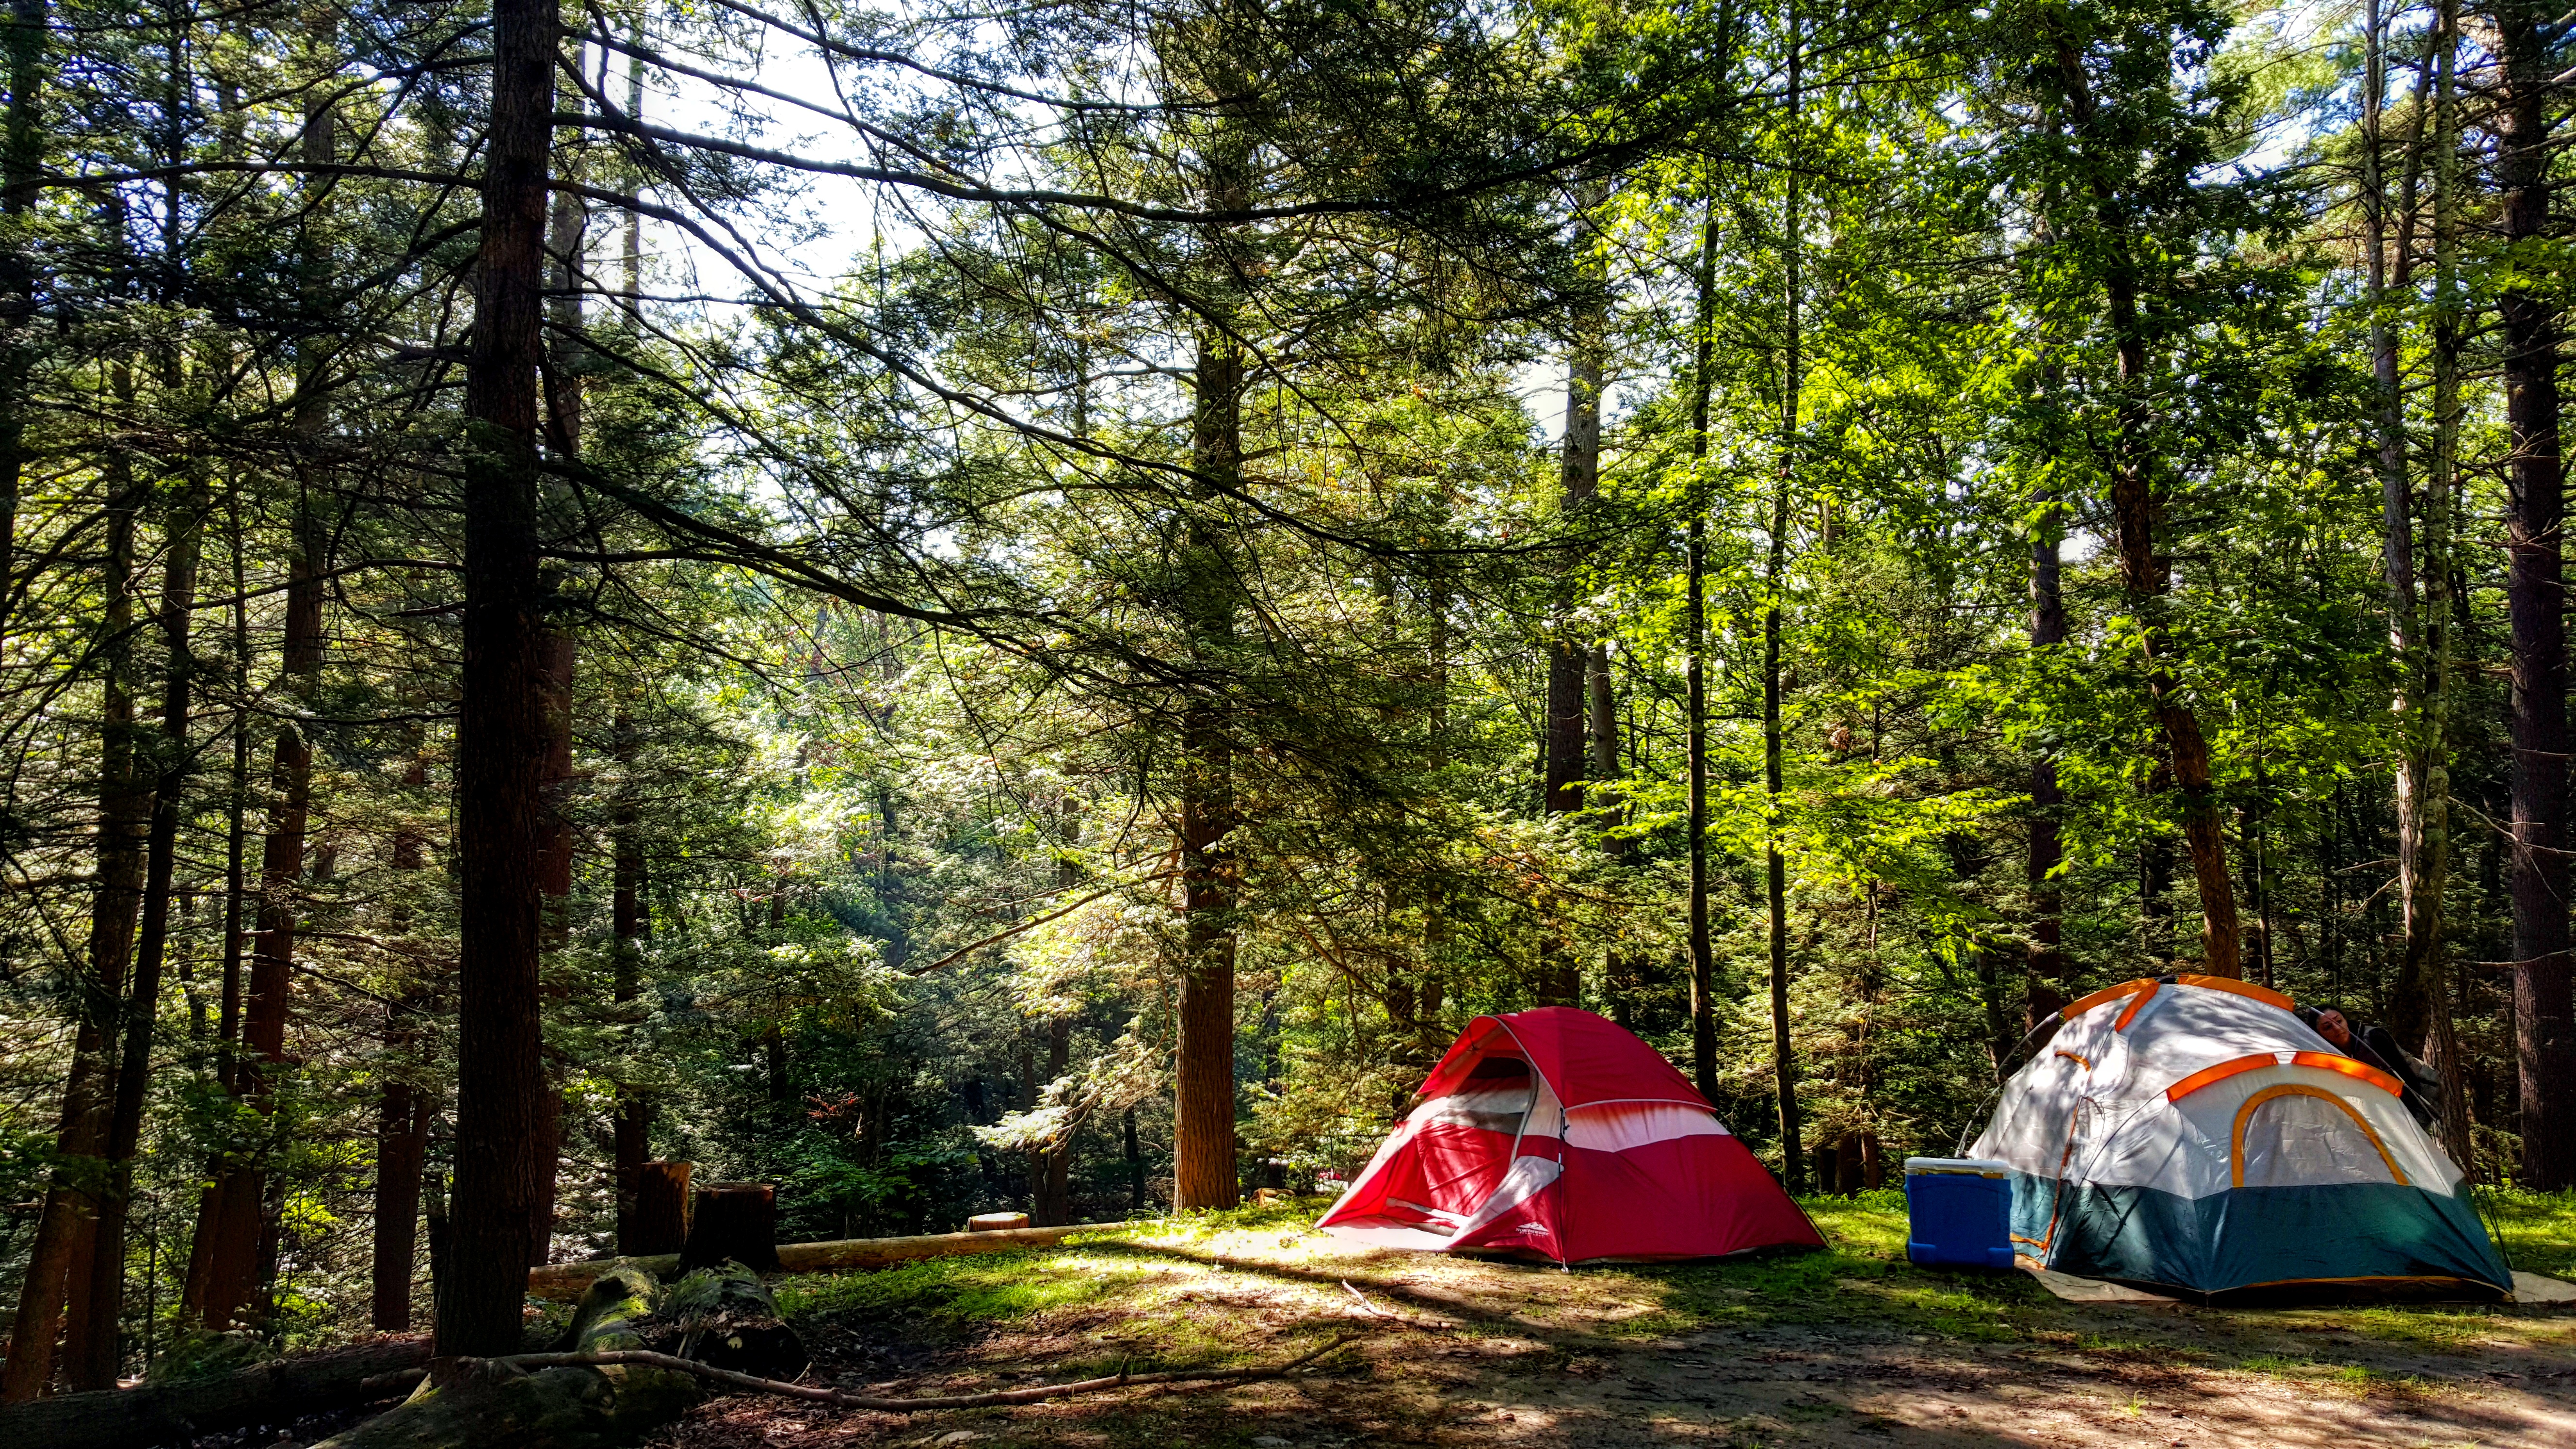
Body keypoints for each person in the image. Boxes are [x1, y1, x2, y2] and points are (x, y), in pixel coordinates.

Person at [2300, 1005, 2442, 1130]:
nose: (2337, 1028)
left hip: (2420, 1094)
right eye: (2328, 1027)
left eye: (2339, 1021)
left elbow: (2408, 1081)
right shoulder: (2329, 1054)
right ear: (2319, 1034)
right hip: (2384, 1105)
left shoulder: (2374, 1038)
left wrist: (2403, 1119)